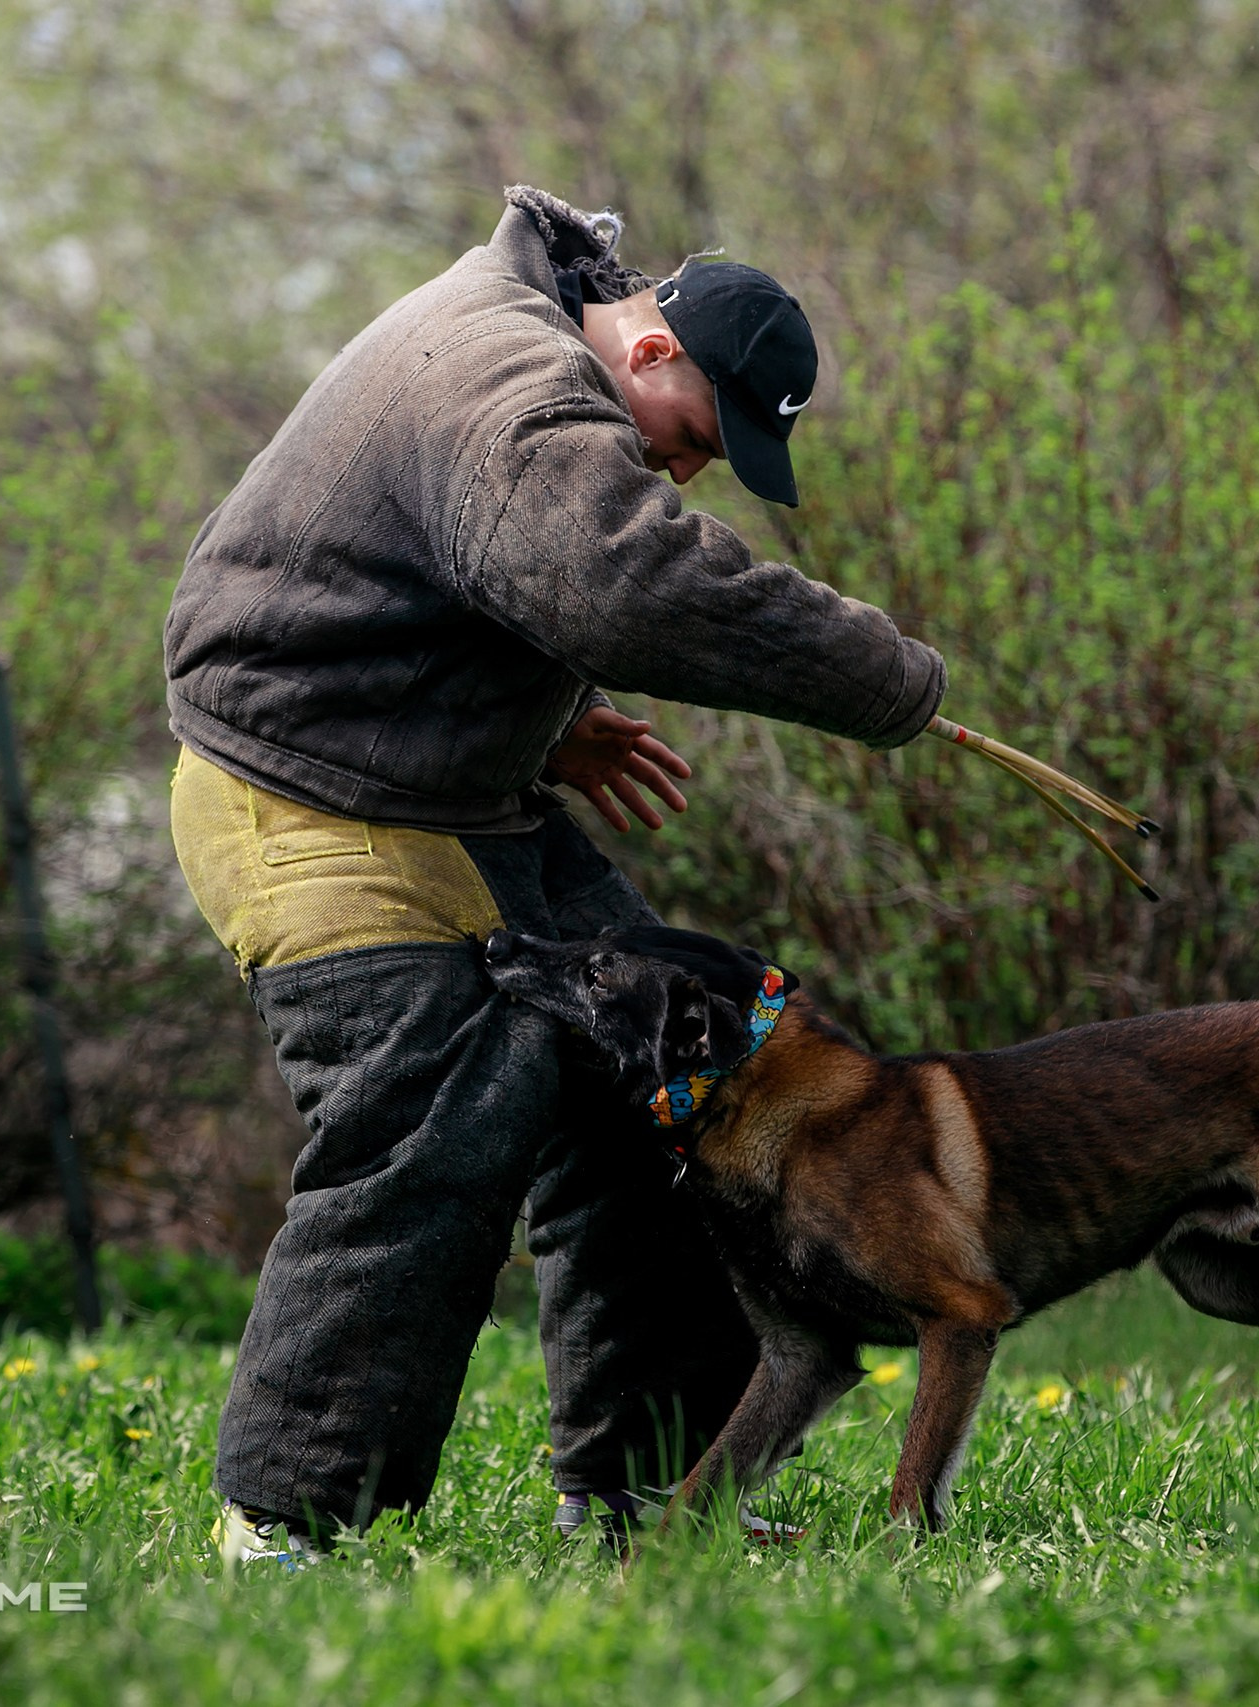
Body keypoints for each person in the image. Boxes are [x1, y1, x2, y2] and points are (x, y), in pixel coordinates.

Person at [162, 185, 945, 1561]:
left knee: (681, 1073)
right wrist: (883, 677)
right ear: (648, 353)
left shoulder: (545, 351)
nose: (688, 475)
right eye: (696, 441)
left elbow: (436, 567)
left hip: (452, 785)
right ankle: (283, 1523)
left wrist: (531, 720)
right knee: (442, 1119)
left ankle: (642, 1492)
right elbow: (615, 583)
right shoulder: (506, 380)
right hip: (294, 794)